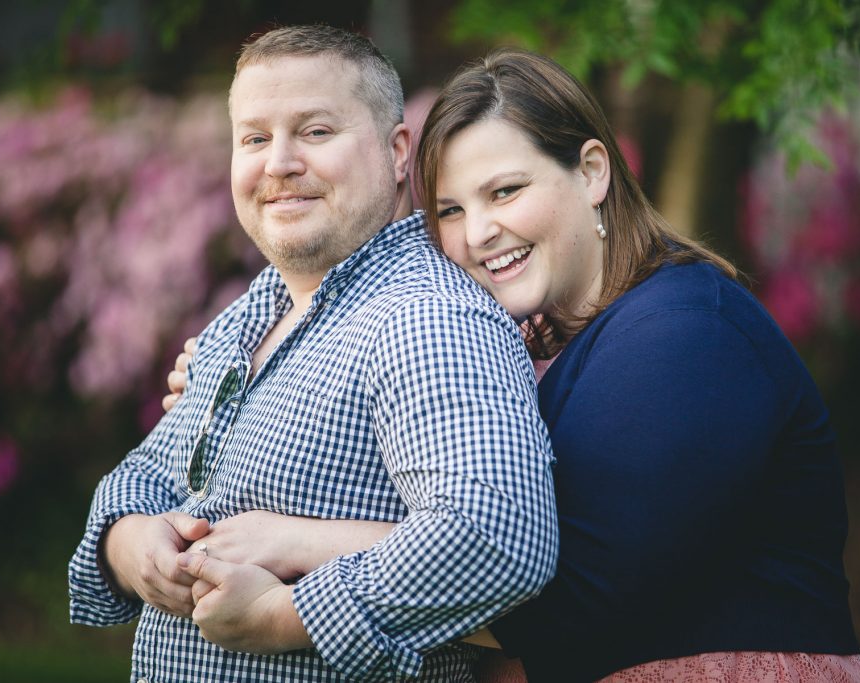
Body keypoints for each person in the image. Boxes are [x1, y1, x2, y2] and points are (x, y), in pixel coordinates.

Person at [167, 49, 860, 683]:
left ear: (592, 172)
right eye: (448, 209)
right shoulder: (527, 347)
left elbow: (562, 586)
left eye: (505, 192)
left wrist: (290, 576)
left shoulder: (686, 331)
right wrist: (254, 387)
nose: (478, 233)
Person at [68, 26, 558, 683]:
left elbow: (497, 538)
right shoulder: (253, 311)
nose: (278, 163)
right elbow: (145, 477)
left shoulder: (425, 318)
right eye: (255, 138)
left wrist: (284, 608)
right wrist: (132, 545)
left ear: (396, 151)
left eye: (316, 131)